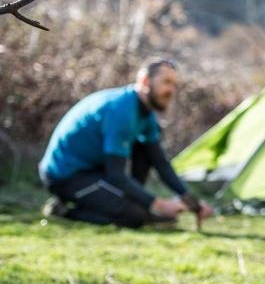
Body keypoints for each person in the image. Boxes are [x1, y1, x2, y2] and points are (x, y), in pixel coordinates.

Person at [38, 59, 213, 228]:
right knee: (134, 217)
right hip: (66, 176)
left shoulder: (146, 114)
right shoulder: (122, 111)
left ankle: (131, 205)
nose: (171, 90)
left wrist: (193, 202)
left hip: (95, 171)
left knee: (145, 152)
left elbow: (160, 162)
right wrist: (159, 205)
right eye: (166, 82)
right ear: (145, 81)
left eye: (174, 84)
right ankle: (62, 211)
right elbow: (116, 175)